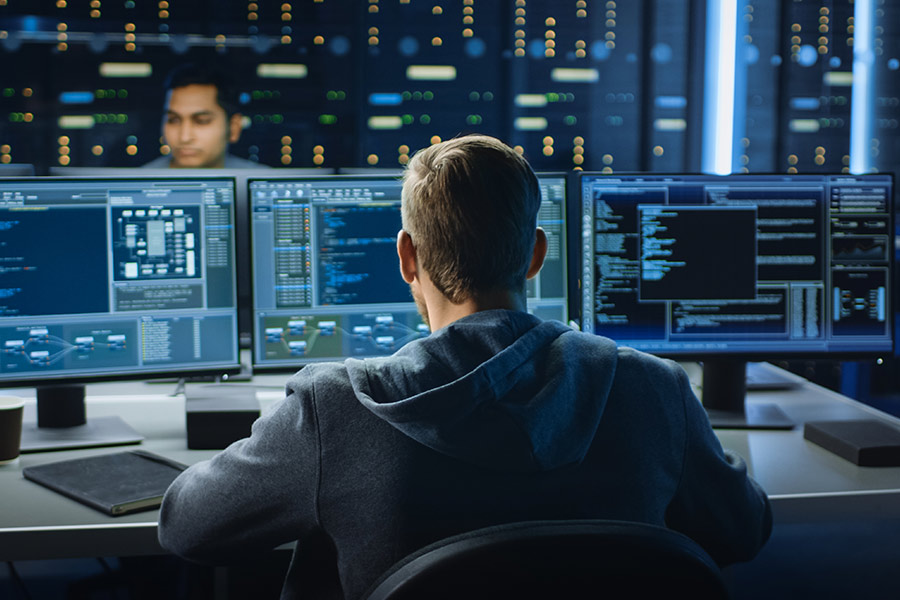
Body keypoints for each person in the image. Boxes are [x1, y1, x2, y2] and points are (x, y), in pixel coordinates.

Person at [158, 135, 771, 599]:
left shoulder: (335, 410)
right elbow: (744, 531)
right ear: (536, 255)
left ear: (406, 257)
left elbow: (187, 529)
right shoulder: (653, 389)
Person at [143, 63, 261, 169]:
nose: (184, 137)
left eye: (201, 121)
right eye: (173, 120)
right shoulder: (139, 182)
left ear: (234, 127)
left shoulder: (261, 181)